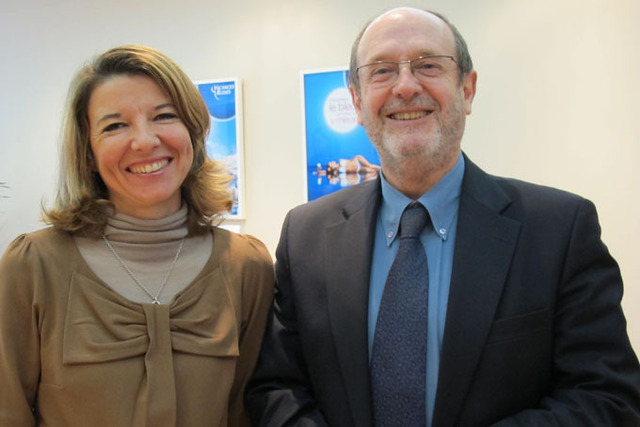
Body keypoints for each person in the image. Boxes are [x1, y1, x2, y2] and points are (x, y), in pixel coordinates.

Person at [245, 7, 640, 426]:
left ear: (467, 90)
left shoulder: (559, 230)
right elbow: (277, 388)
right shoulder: (306, 235)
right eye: (381, 71)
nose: (405, 86)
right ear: (358, 102)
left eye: (428, 65)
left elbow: (607, 397)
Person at [0, 45, 274, 426]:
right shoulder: (32, 266)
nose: (144, 141)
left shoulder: (247, 266)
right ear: (87, 152)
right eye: (115, 125)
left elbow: (247, 412)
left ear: (193, 133)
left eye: (164, 116)